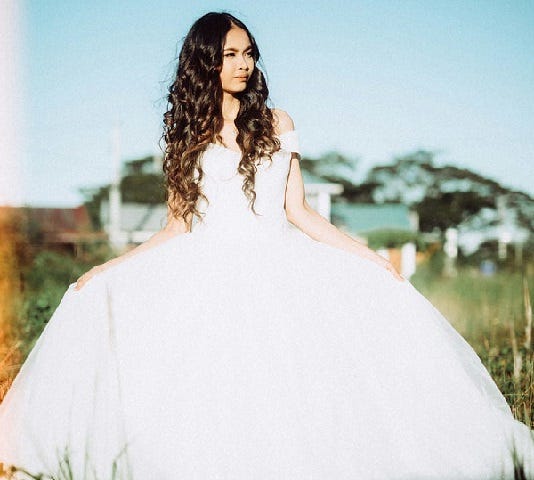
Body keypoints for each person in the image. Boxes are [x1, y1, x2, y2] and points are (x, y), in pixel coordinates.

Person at [0, 11, 533, 480]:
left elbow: (300, 212)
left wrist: (369, 258)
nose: (243, 64)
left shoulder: (279, 124)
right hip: (204, 271)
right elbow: (176, 226)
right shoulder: (185, 136)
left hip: (282, 266)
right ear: (205, 62)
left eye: (249, 53)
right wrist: (108, 270)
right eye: (230, 54)